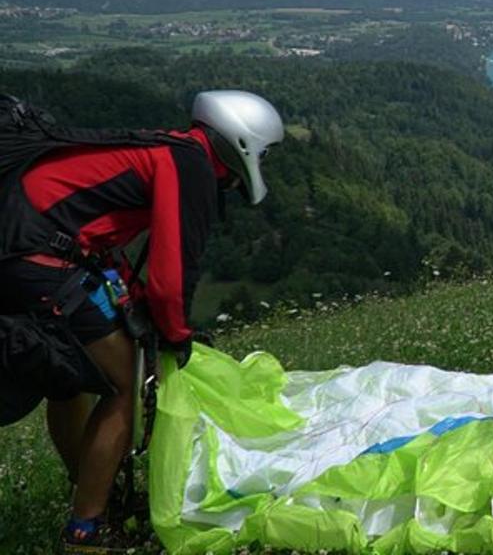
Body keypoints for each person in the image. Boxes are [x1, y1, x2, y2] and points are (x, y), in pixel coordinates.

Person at [0, 90, 283, 553]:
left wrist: (131, 298)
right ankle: (86, 530)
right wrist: (174, 334)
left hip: (20, 250)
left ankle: (94, 490)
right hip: (40, 257)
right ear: (244, 145)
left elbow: (101, 236)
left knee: (69, 382)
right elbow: (172, 275)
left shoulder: (165, 148)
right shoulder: (189, 166)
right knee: (124, 385)